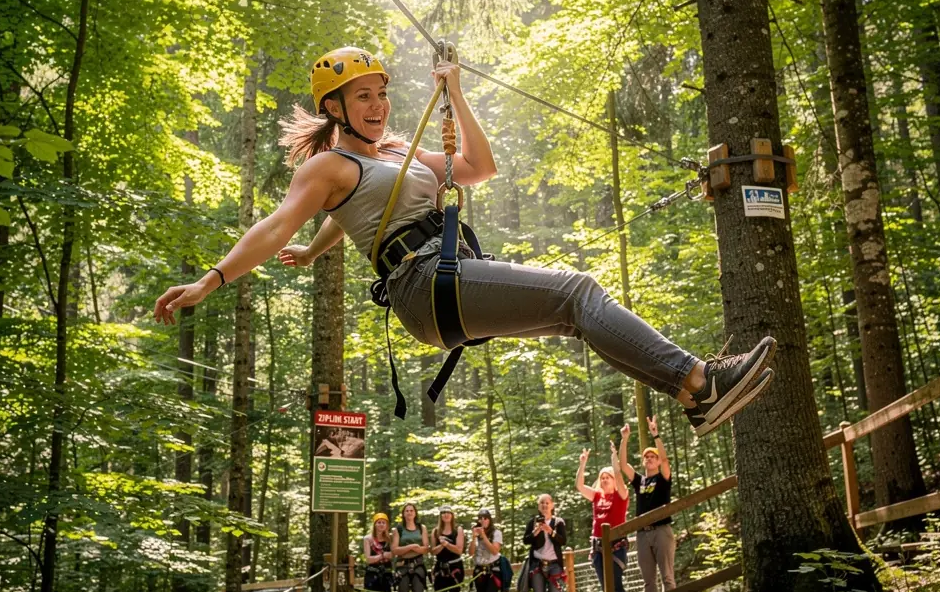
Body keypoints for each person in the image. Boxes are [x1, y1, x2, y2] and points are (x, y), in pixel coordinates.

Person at [153, 48, 777, 440]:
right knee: (579, 290)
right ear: (335, 107)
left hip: (444, 276)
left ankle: (695, 395)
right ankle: (698, 378)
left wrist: (454, 91)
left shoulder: (396, 151)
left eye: (380, 92)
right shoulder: (327, 167)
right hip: (424, 284)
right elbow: (277, 224)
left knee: (573, 314)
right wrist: (211, 280)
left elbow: (479, 168)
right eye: (362, 96)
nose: (377, 103)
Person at [618, 417, 676, 592]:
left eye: (653, 456)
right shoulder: (640, 481)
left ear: (658, 461)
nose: (650, 459)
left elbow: (667, 461)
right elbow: (624, 465)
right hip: (642, 534)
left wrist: (655, 434)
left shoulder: (663, 478)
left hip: (662, 531)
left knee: (667, 576)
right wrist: (625, 439)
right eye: (647, 457)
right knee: (648, 579)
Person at [576, 443, 630, 592]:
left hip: (615, 546)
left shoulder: (621, 495)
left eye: (608, 477)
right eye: (602, 478)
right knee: (605, 587)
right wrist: (582, 464)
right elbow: (580, 486)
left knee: (616, 584)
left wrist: (614, 458)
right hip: (598, 547)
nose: (605, 480)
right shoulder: (597, 496)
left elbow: (620, 478)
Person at [522, 494, 568, 592]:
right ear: (538, 506)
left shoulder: (559, 522)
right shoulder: (532, 522)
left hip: (555, 566)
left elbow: (563, 541)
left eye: (547, 503)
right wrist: (536, 531)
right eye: (541, 502)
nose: (544, 505)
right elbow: (526, 541)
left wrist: (550, 531)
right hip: (537, 566)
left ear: (552, 505)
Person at [391, 502, 428, 592]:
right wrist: (412, 547)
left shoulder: (421, 528)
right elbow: (395, 550)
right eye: (407, 510)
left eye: (412, 510)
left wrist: (407, 550)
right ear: (403, 513)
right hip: (402, 568)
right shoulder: (398, 530)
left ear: (415, 513)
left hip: (418, 568)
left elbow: (426, 549)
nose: (409, 513)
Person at [431, 505, 465, 592]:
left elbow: (459, 549)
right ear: (440, 516)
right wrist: (441, 546)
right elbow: (433, 551)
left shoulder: (458, 530)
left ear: (452, 515)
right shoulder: (435, 532)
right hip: (440, 569)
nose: (446, 515)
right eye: (443, 513)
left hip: (455, 568)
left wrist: (446, 544)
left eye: (448, 513)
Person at [469, 508, 503, 592]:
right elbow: (471, 553)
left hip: (493, 571)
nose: (483, 521)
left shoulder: (496, 533)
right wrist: (473, 538)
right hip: (479, 572)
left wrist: (483, 536)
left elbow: (495, 550)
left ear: (490, 519)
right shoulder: (476, 534)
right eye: (480, 518)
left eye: (485, 518)